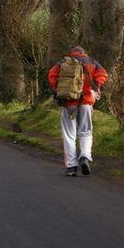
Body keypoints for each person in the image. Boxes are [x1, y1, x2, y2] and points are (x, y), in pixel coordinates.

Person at [47, 45, 108, 176]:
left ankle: (71, 167)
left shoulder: (63, 62)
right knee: (85, 132)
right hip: (85, 102)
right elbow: (103, 74)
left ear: (72, 53)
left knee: (69, 135)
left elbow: (52, 75)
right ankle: (84, 157)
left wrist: (58, 90)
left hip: (68, 102)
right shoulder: (92, 62)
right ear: (83, 53)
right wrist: (95, 85)